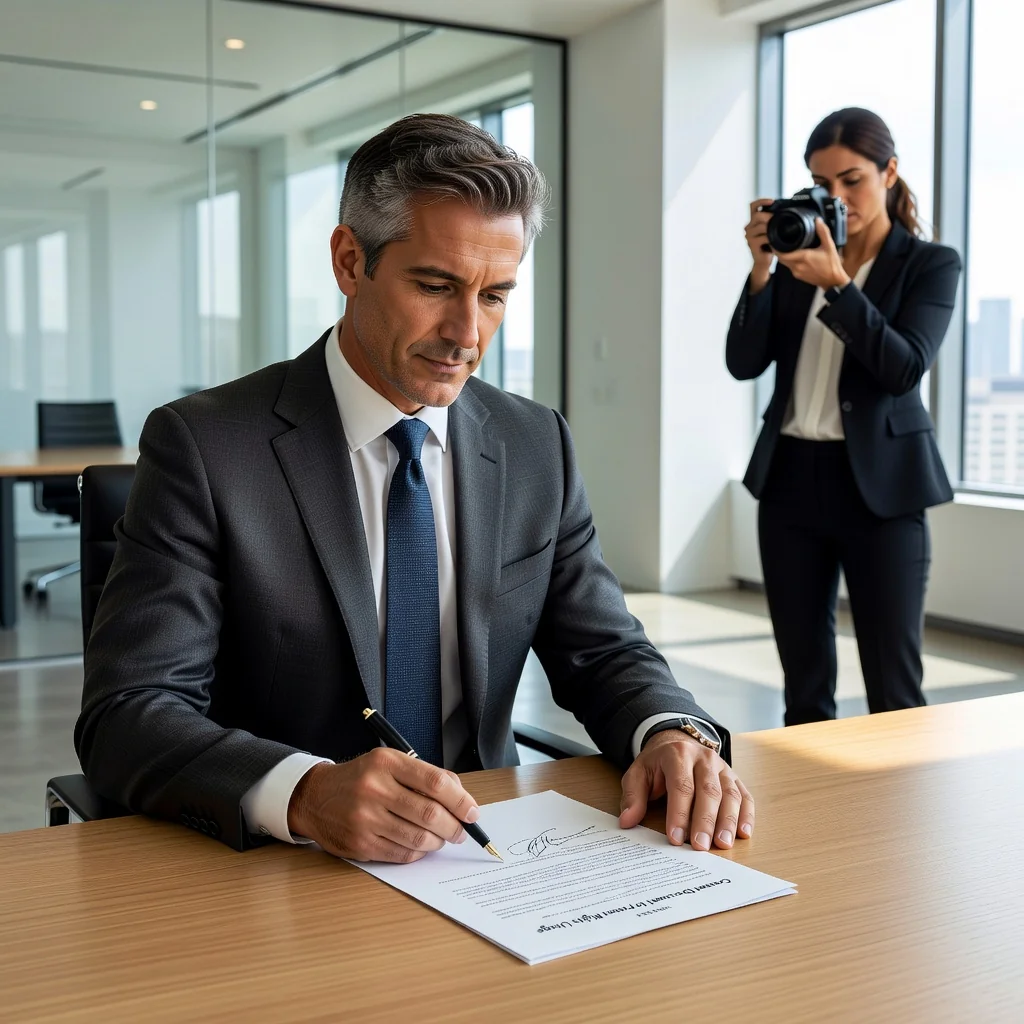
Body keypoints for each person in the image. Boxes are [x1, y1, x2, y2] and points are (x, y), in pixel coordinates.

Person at [78, 113, 754, 863]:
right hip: (286, 869)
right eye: (436, 285)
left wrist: (669, 730)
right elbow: (128, 712)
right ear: (348, 262)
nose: (467, 333)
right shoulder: (207, 448)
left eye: (495, 296)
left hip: (484, 860)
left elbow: (603, 649)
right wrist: (304, 792)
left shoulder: (536, 446)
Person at [727, 107, 961, 726]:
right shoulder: (796, 256)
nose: (837, 197)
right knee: (803, 684)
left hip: (883, 490)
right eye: (821, 182)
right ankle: (816, 820)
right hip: (790, 483)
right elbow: (744, 363)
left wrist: (839, 285)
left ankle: (906, 820)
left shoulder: (930, 264)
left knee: (894, 684)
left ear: (889, 173)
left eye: (851, 179)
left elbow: (902, 368)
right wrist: (760, 273)